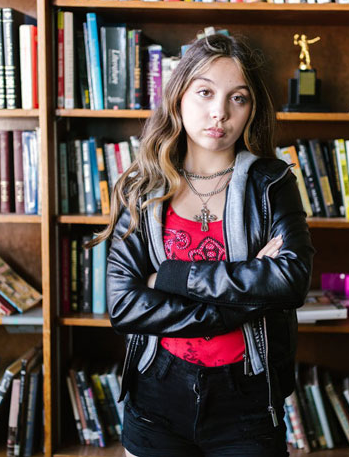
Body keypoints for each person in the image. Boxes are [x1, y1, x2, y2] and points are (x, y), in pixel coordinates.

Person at [93, 33, 314, 456]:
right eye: (205, 93)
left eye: (238, 98)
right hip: (155, 396)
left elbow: (291, 280)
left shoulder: (273, 184)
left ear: (251, 110)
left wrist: (169, 276)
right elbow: (123, 306)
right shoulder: (142, 189)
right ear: (178, 98)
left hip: (247, 402)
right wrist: (251, 295)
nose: (220, 113)